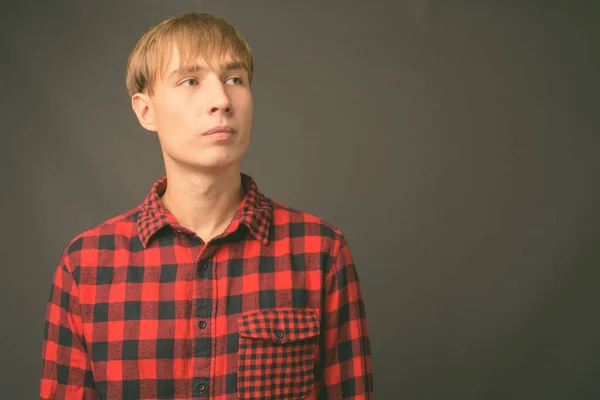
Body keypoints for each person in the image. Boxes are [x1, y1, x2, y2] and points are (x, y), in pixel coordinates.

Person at [40, 11, 373, 400]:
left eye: (235, 80)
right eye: (191, 81)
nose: (221, 100)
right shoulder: (86, 266)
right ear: (145, 111)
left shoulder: (320, 252)